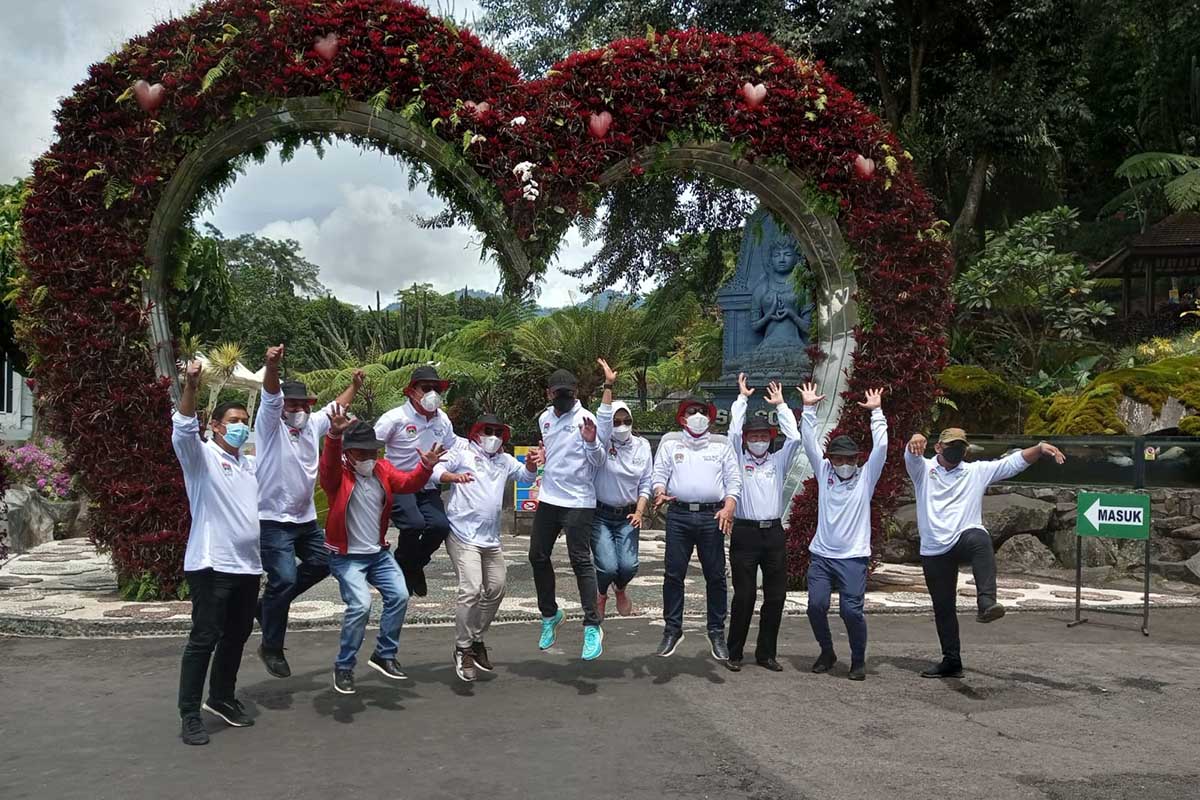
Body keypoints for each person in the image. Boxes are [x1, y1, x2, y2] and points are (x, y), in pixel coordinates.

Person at [905, 428, 1066, 678]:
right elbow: (912, 457)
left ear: (966, 450)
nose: (955, 450)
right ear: (938, 448)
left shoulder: (974, 471)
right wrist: (914, 440)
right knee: (943, 607)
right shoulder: (924, 470)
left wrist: (1039, 448)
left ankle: (986, 602)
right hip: (934, 548)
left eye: (960, 446)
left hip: (962, 538)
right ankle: (951, 661)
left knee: (980, 538)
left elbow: (1010, 463)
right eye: (950, 445)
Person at [254, 343, 363, 678]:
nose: (298, 408)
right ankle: (271, 646)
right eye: (293, 403)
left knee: (323, 562)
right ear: (283, 407)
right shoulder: (270, 424)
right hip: (273, 519)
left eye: (303, 403)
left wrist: (355, 387)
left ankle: (268, 605)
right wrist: (272, 367)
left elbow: (337, 408)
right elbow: (271, 394)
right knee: (284, 577)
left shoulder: (313, 424)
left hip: (304, 520)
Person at [320, 406, 444, 695]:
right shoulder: (337, 476)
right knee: (360, 606)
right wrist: (334, 435)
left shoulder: (383, 470)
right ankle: (344, 666)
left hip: (377, 554)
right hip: (346, 556)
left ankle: (384, 654)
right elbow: (327, 465)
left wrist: (425, 467)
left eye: (372, 452)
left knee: (400, 595)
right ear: (348, 453)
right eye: (361, 453)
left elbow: (409, 483)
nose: (367, 458)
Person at [172, 361, 260, 746]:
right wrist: (191, 386)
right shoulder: (201, 457)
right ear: (217, 426)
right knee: (204, 637)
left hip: (247, 567)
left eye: (245, 419)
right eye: (234, 420)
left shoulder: (249, 465)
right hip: (212, 565)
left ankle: (221, 698)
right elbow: (183, 428)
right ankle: (189, 714)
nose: (241, 425)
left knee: (237, 635)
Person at [433, 414, 541, 682]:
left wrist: (529, 464)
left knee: (496, 588)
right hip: (462, 535)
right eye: (488, 430)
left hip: (490, 539)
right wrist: (451, 477)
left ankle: (476, 639)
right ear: (477, 432)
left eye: (498, 431)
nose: (493, 436)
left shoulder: (504, 461)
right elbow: (436, 470)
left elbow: (525, 476)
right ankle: (462, 648)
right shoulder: (463, 452)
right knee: (471, 589)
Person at [799, 382, 888, 682]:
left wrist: (877, 413)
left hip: (853, 557)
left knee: (851, 612)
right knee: (816, 606)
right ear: (832, 459)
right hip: (822, 555)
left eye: (850, 459)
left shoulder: (865, 478)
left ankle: (858, 659)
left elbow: (883, 448)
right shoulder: (825, 472)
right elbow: (808, 442)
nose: (845, 463)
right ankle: (827, 651)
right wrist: (809, 408)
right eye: (839, 458)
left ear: (857, 460)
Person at [651, 395, 741, 661]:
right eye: (692, 411)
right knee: (673, 574)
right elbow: (659, 474)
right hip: (679, 515)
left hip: (712, 516)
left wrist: (729, 505)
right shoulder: (670, 444)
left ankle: (715, 631)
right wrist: (659, 491)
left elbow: (733, 479)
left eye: (702, 411)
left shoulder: (721, 445)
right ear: (682, 418)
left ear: (710, 417)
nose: (697, 415)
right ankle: (672, 629)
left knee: (715, 576)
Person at [526, 368, 606, 661]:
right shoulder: (544, 418)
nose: (563, 398)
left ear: (576, 394)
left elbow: (599, 461)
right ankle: (550, 615)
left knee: (580, 560)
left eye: (568, 394)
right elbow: (550, 452)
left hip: (578, 501)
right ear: (549, 393)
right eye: (558, 393)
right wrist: (540, 459)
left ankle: (592, 625)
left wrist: (591, 440)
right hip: (549, 497)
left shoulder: (587, 419)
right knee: (537, 555)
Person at [725, 375, 802, 673]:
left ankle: (766, 653)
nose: (759, 441)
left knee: (776, 596)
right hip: (744, 533)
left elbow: (795, 439)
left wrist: (782, 405)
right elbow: (732, 432)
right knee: (744, 596)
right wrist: (742, 399)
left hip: (773, 534)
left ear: (770, 439)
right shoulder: (736, 458)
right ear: (747, 440)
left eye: (763, 437)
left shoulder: (777, 461)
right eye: (754, 437)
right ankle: (735, 652)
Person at [374, 365, 457, 597]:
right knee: (414, 524)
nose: (432, 393)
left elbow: (453, 448)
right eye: (426, 388)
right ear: (412, 391)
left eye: (436, 388)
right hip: (400, 483)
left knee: (440, 526)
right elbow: (370, 445)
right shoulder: (395, 418)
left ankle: (411, 565)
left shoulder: (443, 421)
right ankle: (408, 566)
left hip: (428, 485)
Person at [592, 359, 653, 618]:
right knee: (607, 565)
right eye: (616, 421)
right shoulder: (602, 445)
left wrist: (640, 512)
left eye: (626, 420)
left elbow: (646, 483)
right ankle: (602, 593)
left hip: (629, 516)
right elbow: (601, 421)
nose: (621, 425)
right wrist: (608, 385)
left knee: (628, 566)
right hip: (601, 514)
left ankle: (620, 588)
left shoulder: (642, 446)